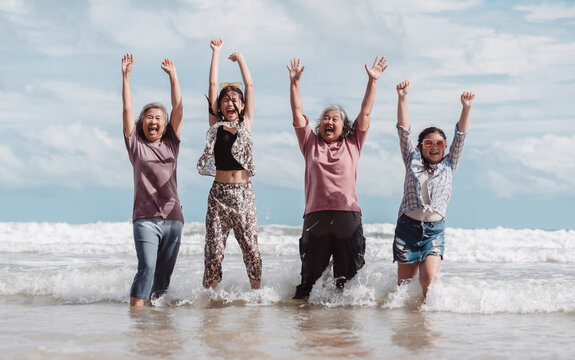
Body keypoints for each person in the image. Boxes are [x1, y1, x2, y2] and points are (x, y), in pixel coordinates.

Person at [287, 56, 388, 299]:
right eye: (326, 118)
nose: (329, 121)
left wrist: (372, 82)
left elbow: (366, 112)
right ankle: (308, 326)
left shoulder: (353, 143)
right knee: (309, 283)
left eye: (335, 118)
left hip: (347, 218)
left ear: (345, 127)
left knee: (349, 283)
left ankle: (343, 329)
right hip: (316, 217)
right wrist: (294, 84)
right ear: (319, 125)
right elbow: (297, 112)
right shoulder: (310, 143)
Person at [393, 80, 475, 298]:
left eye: (440, 144)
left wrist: (466, 108)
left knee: (429, 277)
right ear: (420, 147)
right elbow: (404, 132)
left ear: (445, 148)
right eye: (429, 143)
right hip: (407, 228)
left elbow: (461, 137)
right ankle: (406, 324)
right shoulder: (411, 159)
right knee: (404, 282)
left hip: (433, 230)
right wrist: (402, 98)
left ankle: (427, 318)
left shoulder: (449, 164)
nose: (435, 147)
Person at [197, 39, 261, 290]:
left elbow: (250, 85)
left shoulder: (246, 124)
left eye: (235, 100)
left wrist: (241, 60)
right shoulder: (215, 124)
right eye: (226, 99)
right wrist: (216, 53)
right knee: (214, 251)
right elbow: (213, 85)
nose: (230, 103)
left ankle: (257, 294)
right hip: (219, 195)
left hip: (244, 194)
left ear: (242, 105)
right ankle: (211, 299)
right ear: (219, 105)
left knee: (251, 249)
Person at [121, 53, 184, 307]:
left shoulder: (171, 143)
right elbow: (126, 109)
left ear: (165, 124)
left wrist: (173, 77)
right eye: (149, 117)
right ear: (142, 122)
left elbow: (179, 108)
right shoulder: (135, 144)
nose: (153, 121)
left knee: (162, 281)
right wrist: (126, 77)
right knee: (146, 268)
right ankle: (136, 317)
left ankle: (156, 328)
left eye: (158, 117)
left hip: (173, 220)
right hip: (145, 219)